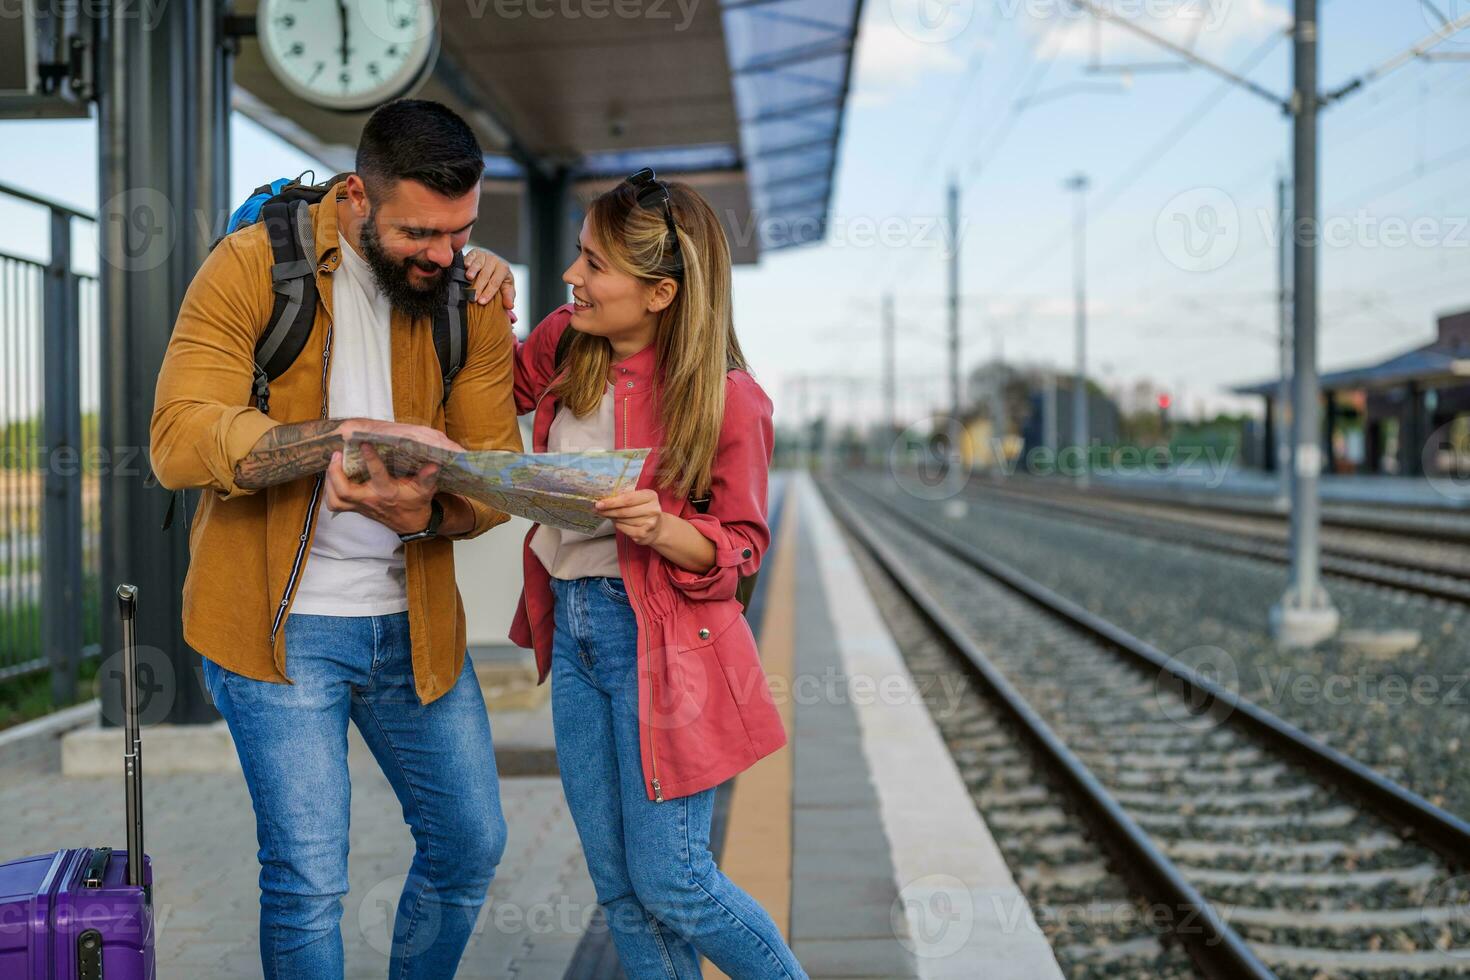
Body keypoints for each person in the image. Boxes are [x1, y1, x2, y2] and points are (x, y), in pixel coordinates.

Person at [149, 100, 521, 980]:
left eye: (461, 232)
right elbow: (178, 437)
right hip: (278, 634)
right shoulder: (250, 267)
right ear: (357, 195)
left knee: (470, 846)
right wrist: (337, 436)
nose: (444, 254)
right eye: (421, 233)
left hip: (413, 626)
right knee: (309, 878)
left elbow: (495, 465)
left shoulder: (467, 297)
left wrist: (427, 515)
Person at [464, 170, 807, 979]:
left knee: (674, 879)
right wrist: (481, 282)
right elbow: (488, 384)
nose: (572, 277)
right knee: (618, 887)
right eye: (578, 256)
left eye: (594, 264)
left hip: (661, 646)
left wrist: (664, 525)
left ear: (659, 292)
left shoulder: (730, 400)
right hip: (576, 634)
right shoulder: (563, 339)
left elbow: (741, 551)